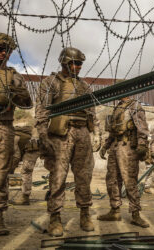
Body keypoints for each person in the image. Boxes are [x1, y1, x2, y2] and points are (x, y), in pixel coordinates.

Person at [36, 47, 96, 237]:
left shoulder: (85, 86)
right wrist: (43, 136)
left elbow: (92, 112)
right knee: (58, 177)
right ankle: (55, 217)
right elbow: (42, 111)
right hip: (60, 136)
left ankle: (85, 213)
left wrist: (96, 134)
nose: (77, 67)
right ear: (64, 62)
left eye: (79, 64)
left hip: (82, 133)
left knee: (84, 176)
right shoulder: (51, 83)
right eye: (73, 63)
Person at [0, 31, 32, 235]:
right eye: (0, 48)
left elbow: (27, 103)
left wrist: (19, 94)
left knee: (0, 174)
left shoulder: (14, 76)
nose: (3, 52)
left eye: (7, 50)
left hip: (4, 126)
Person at [98, 96, 150, 228]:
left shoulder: (135, 106)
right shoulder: (118, 107)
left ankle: (135, 214)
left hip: (128, 147)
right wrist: (106, 146)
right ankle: (114, 210)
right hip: (115, 146)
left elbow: (142, 128)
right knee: (112, 180)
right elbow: (113, 131)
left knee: (130, 181)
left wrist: (142, 144)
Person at [11, 126, 41, 205]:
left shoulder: (11, 137)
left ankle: (25, 197)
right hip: (30, 145)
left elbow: (15, 156)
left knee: (26, 170)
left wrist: (11, 169)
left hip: (32, 147)